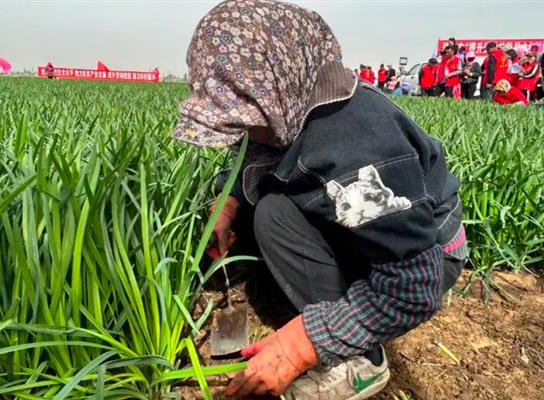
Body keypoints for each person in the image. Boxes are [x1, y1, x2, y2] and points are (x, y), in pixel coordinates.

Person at [173, 1, 467, 398]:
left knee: (281, 219)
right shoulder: (291, 105)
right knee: (271, 211)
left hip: (420, 259)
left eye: (245, 116)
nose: (241, 129)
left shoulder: (361, 151)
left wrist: (302, 344)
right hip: (362, 226)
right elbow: (260, 158)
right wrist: (230, 202)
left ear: (279, 83)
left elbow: (413, 288)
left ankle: (363, 360)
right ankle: (336, 297)